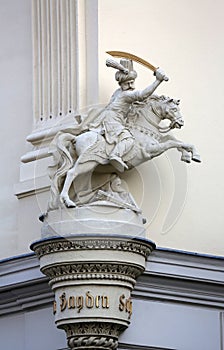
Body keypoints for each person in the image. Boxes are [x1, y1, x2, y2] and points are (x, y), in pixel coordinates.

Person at [89, 58, 168, 172]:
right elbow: (142, 95)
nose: (131, 85)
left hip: (109, 118)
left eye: (132, 82)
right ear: (121, 84)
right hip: (112, 120)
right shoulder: (125, 94)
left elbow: (141, 98)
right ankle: (115, 155)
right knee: (129, 138)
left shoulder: (119, 92)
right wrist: (157, 81)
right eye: (127, 83)